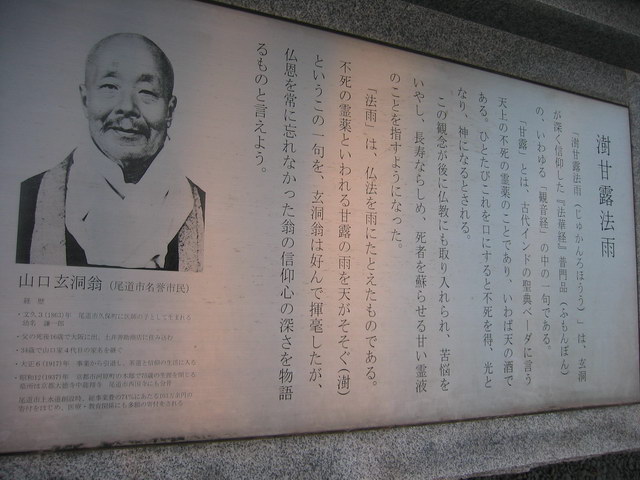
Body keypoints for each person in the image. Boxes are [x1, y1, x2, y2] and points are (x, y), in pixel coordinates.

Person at [16, 33, 205, 271]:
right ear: (85, 99)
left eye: (146, 91)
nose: (127, 107)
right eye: (110, 87)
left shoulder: (200, 208)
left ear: (169, 110)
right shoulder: (28, 200)